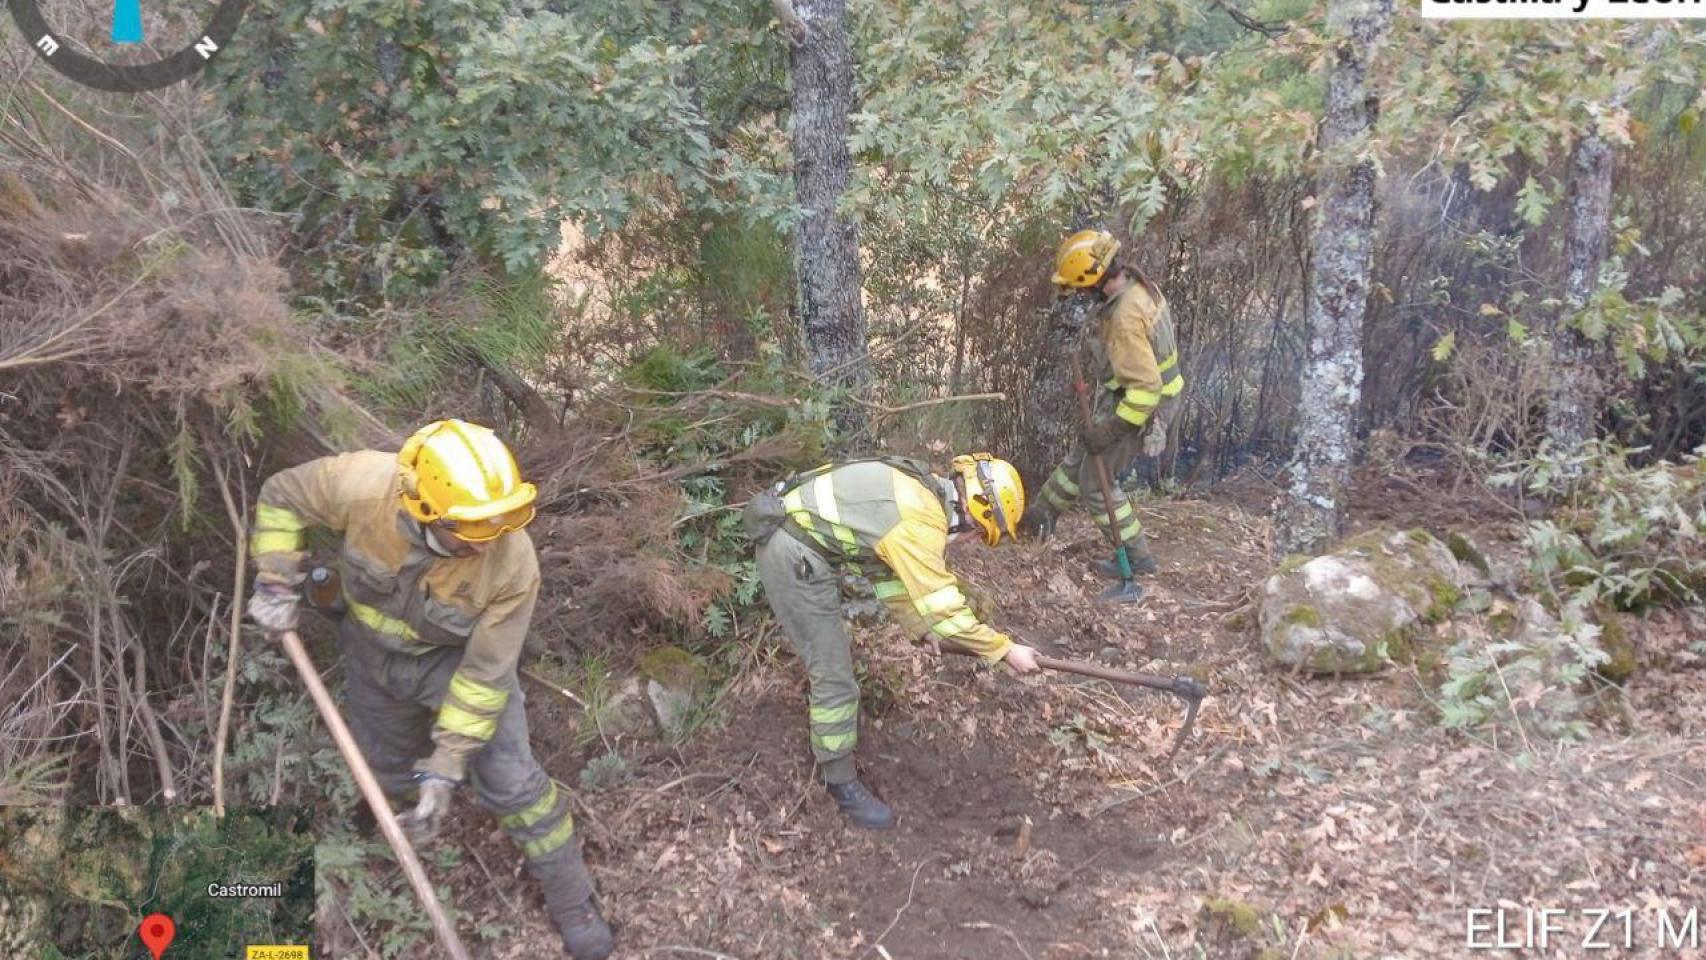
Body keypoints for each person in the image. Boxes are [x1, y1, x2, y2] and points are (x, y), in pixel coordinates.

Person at [245, 419, 613, 960]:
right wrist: (276, 580)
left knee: (515, 786)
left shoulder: (513, 564)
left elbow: (485, 678)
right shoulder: (363, 486)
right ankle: (384, 848)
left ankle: (573, 901)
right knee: (385, 768)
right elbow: (280, 496)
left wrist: (447, 765)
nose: (489, 539)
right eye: (473, 527)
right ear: (426, 509)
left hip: (453, 665)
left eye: (500, 520)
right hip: (371, 658)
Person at [744, 452, 1041, 829]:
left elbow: (887, 578)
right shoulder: (920, 519)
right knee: (833, 676)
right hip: (793, 553)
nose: (971, 542)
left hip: (801, 543)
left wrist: (920, 629)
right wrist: (1005, 650)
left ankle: (839, 768)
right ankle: (840, 782)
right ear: (977, 512)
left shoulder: (919, 493)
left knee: (834, 669)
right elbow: (948, 613)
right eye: (980, 534)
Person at [1022, 229, 1186, 596]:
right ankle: (1042, 513)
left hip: (1141, 407)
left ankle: (1135, 556)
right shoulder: (1137, 286)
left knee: (1096, 483)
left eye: (1079, 288)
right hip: (1125, 397)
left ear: (1092, 280)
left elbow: (1146, 388)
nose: (1079, 295)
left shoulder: (1126, 317)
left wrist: (1112, 429)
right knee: (1082, 455)